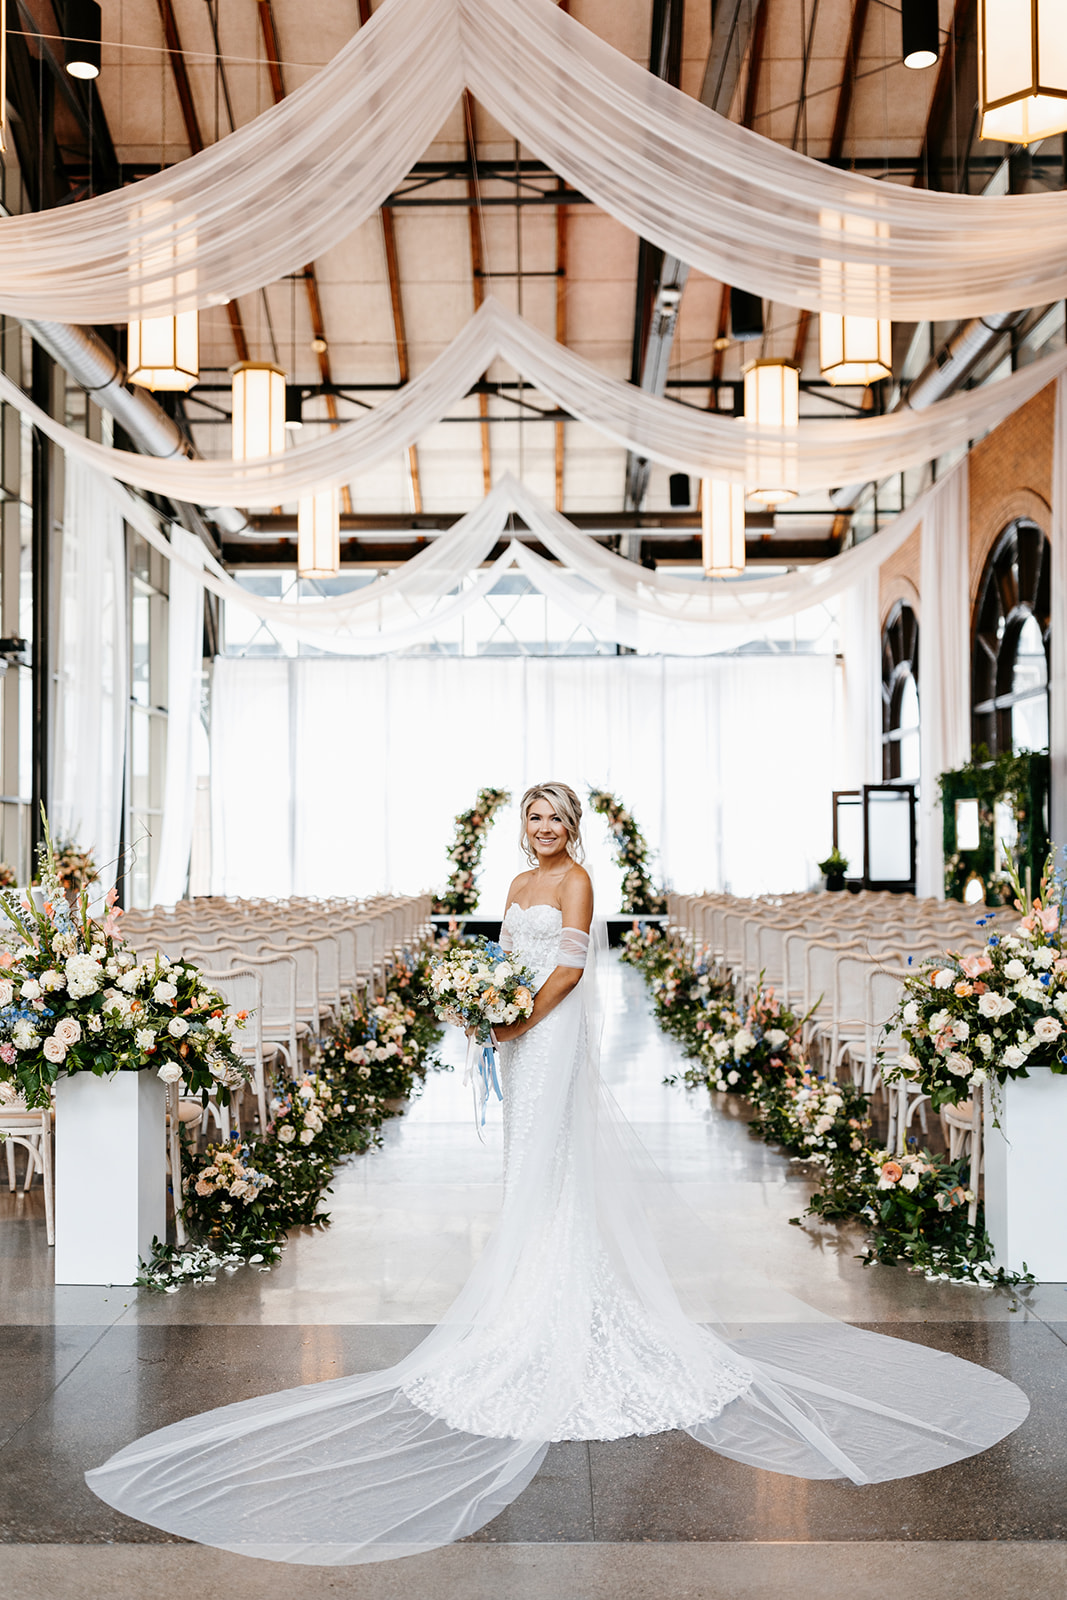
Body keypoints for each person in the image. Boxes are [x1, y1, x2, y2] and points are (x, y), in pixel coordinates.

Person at [87, 782, 1029, 1566]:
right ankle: (526, 1296)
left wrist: (515, 1019)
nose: (543, 832)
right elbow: (503, 953)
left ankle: (566, 1306)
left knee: (549, 1159)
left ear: (572, 828)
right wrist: (482, 1000)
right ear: (522, 826)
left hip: (551, 1031)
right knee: (521, 1168)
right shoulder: (513, 876)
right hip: (515, 1032)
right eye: (533, 819)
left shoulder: (576, 881)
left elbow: (571, 972)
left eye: (553, 819)